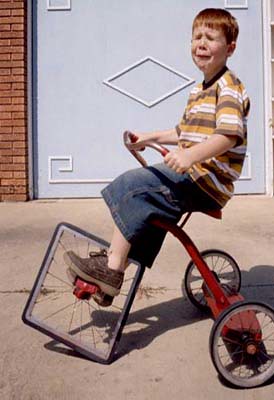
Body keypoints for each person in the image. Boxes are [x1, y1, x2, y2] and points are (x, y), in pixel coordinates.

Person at [64, 8, 250, 306]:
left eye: (210, 38)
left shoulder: (228, 88)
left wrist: (189, 158)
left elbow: (228, 135)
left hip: (205, 181)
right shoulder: (198, 91)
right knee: (151, 210)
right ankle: (117, 265)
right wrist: (148, 138)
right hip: (194, 176)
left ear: (230, 48)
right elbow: (183, 132)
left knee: (134, 186)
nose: (201, 43)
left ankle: (111, 270)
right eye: (196, 37)